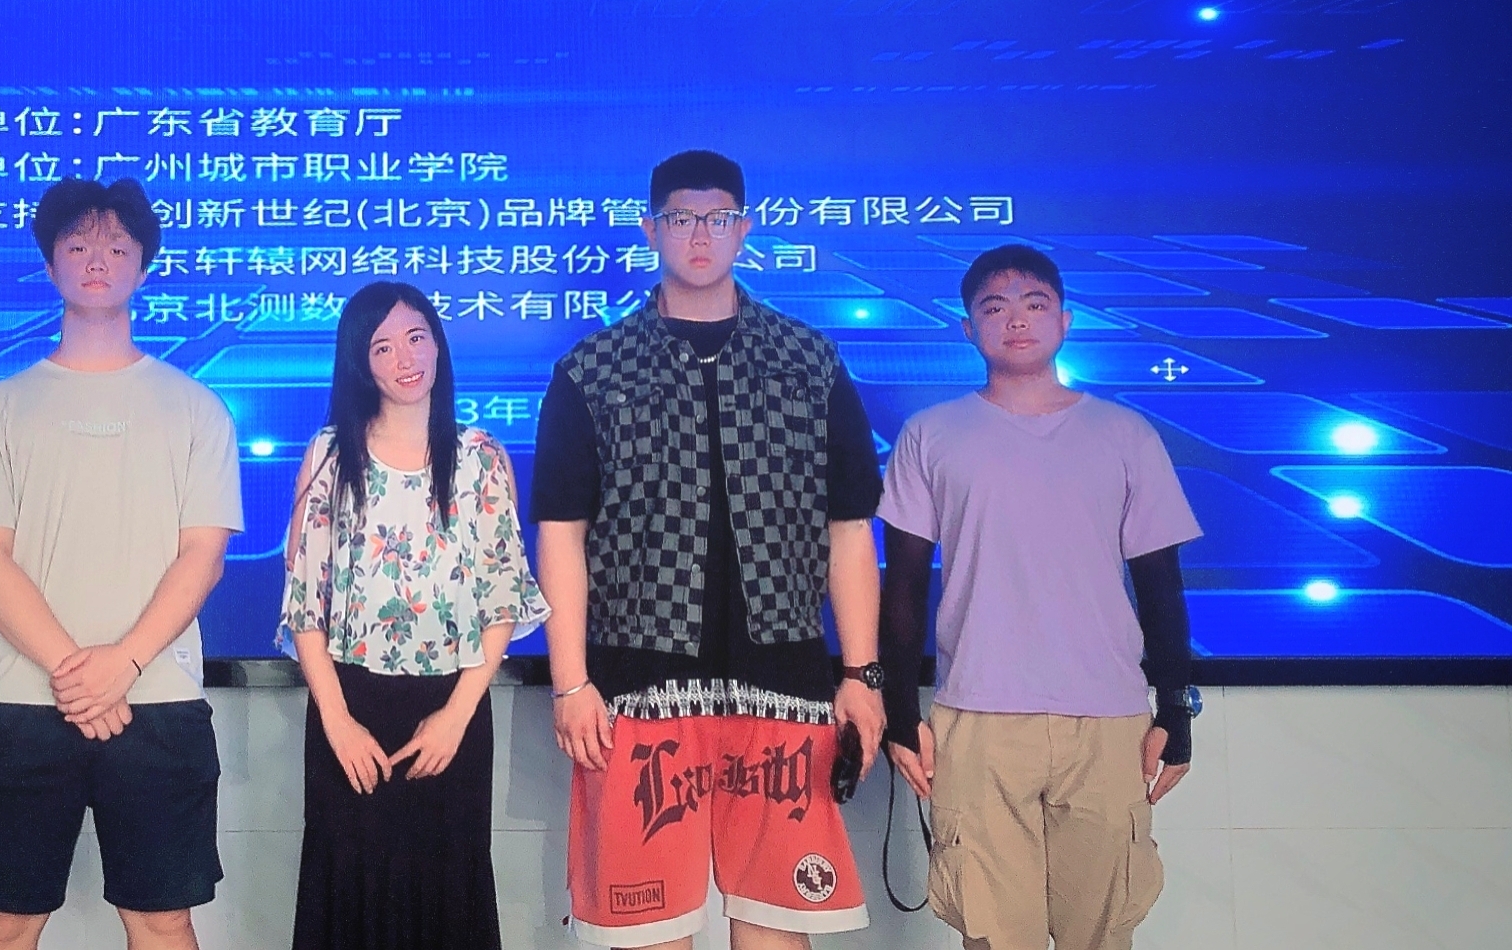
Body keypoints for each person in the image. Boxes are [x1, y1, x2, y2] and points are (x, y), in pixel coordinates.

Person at [533, 149, 886, 949]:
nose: (701, 235)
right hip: (637, 686)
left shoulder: (808, 361)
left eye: (718, 218)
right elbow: (561, 534)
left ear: (744, 228)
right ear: (650, 228)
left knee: (777, 924)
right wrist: (570, 683)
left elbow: (848, 529)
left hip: (782, 682)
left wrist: (862, 676)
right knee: (648, 929)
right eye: (682, 219)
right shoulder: (593, 370)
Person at [0, 178, 244, 950]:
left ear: (144, 265)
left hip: (158, 698)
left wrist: (124, 663)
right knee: (3, 925)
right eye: (77, 245)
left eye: (116, 246)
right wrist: (80, 675)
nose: (97, 260)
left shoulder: (196, 407)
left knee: (163, 921)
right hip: (22, 700)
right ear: (50, 266)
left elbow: (203, 556)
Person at [878, 244, 1203, 950]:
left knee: (1102, 930)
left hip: (1107, 718)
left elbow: (1160, 583)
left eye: (1034, 303)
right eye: (994, 307)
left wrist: (1176, 708)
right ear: (968, 328)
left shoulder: (1125, 434)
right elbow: (901, 586)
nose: (1016, 320)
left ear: (1065, 319)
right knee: (995, 935)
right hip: (977, 719)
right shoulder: (929, 435)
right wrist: (899, 714)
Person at [278, 281, 549, 950]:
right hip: (350, 709)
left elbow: (503, 599)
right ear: (359, 362)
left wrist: (456, 717)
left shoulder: (482, 458)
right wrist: (337, 723)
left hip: (452, 710)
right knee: (348, 892)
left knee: (447, 892)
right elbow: (305, 605)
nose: (405, 358)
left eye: (417, 337)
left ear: (438, 344)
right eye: (383, 346)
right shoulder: (327, 457)